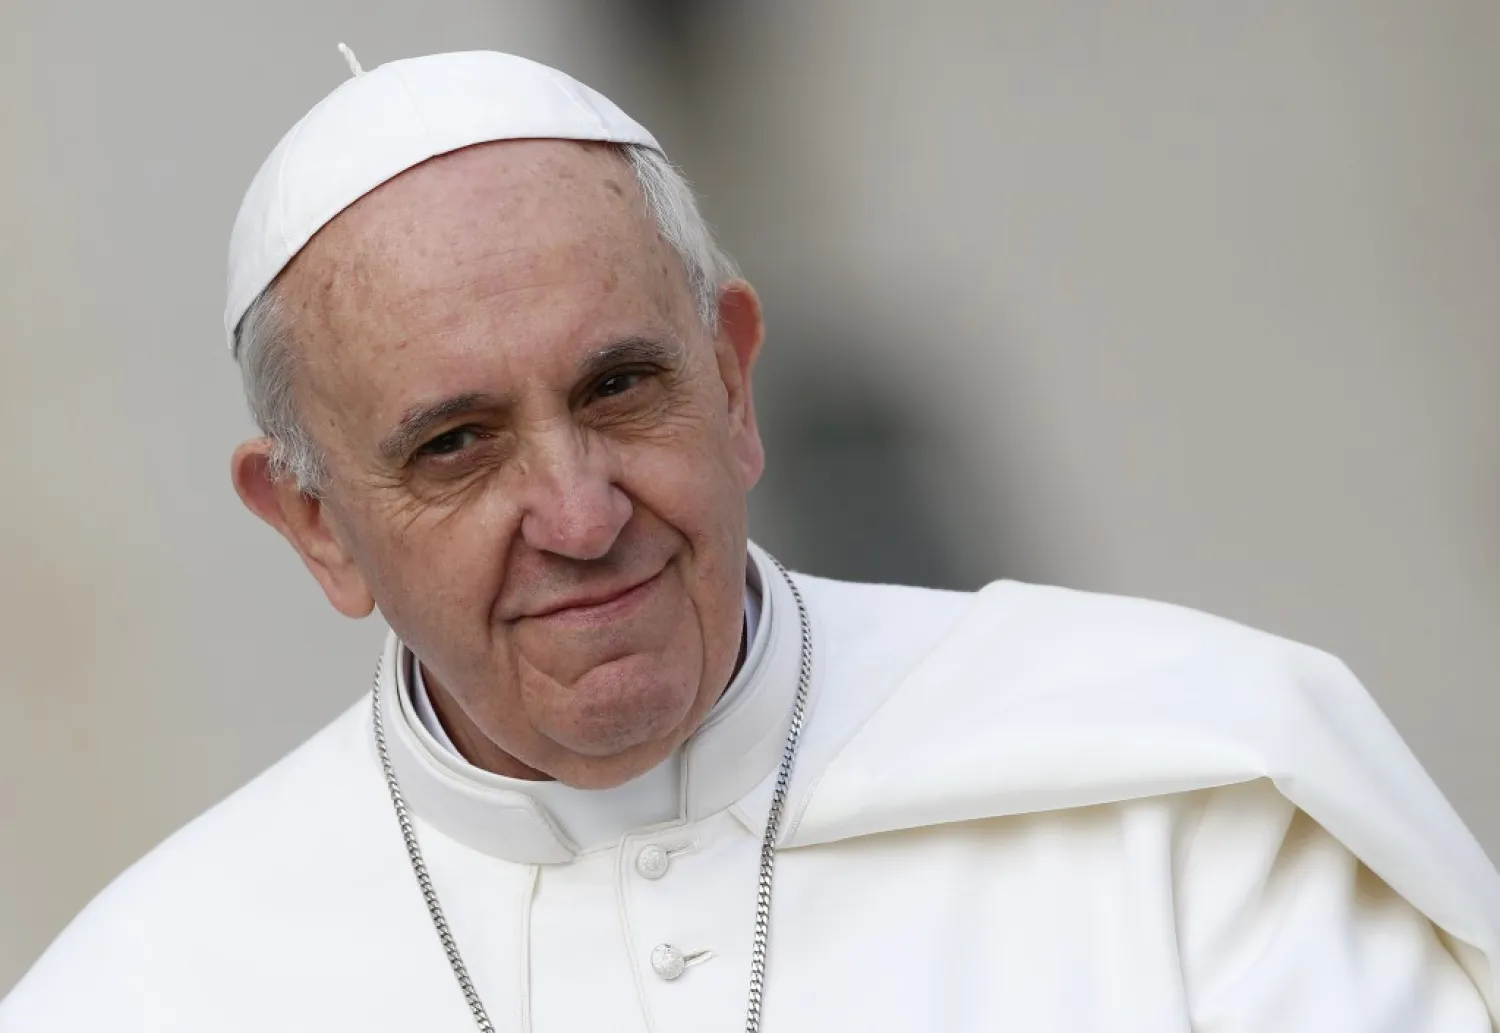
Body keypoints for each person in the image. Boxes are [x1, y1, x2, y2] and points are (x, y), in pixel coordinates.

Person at [3, 47, 1497, 1033]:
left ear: (734, 377)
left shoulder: (1190, 809)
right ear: (314, 526)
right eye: (455, 448)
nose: (581, 517)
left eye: (621, 388)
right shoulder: (149, 994)